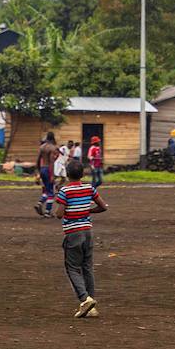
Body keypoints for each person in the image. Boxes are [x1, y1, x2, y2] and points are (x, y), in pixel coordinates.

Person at [55, 158, 107, 318]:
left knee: (72, 268)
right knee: (87, 267)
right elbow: (103, 206)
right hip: (88, 231)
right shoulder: (89, 188)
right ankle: (91, 307)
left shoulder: (65, 191)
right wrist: (88, 211)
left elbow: (59, 214)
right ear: (83, 174)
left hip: (73, 233)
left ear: (67, 174)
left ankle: (85, 299)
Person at [35, 132, 59, 217]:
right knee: (51, 192)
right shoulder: (52, 148)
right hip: (49, 169)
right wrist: (52, 175)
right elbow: (52, 162)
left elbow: (37, 161)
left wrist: (38, 172)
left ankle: (40, 203)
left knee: (46, 189)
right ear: (53, 138)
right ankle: (47, 212)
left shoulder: (42, 147)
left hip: (42, 169)